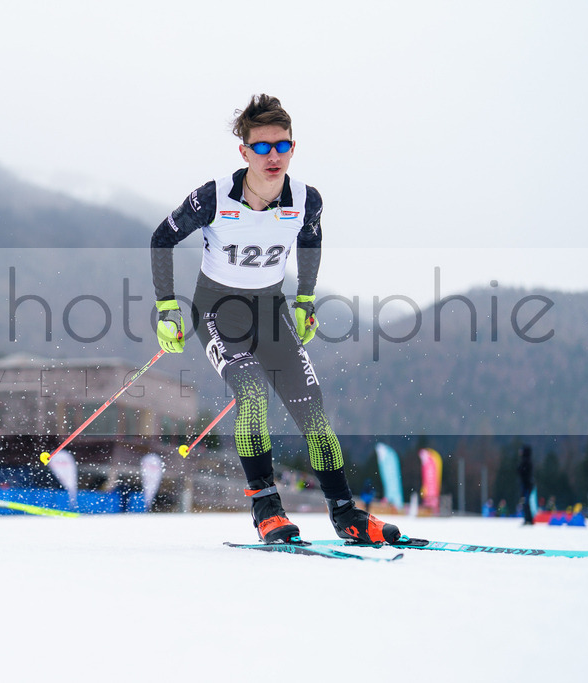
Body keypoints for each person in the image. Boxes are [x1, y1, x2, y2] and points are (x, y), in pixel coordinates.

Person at [150, 94, 409, 545]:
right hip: (217, 311)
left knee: (312, 409)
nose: (274, 156)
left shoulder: (306, 199)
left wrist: (305, 299)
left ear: (293, 148)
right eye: (263, 146)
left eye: (282, 146)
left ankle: (346, 514)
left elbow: (311, 240)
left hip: (271, 311)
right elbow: (161, 238)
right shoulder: (214, 196)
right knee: (252, 395)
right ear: (244, 151)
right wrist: (167, 308)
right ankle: (267, 509)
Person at [517, 444, 535, 525]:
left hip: (526, 485)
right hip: (527, 484)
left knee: (525, 502)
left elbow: (522, 472)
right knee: (525, 502)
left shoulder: (525, 462)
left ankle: (528, 519)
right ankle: (528, 519)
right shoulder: (527, 461)